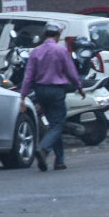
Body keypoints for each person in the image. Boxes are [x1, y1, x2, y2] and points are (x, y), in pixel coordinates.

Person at [19, 21, 85, 171]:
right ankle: (43, 149)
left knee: (54, 124)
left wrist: (23, 95)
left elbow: (28, 76)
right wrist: (79, 87)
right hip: (56, 91)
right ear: (58, 35)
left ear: (44, 34)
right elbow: (70, 71)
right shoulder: (60, 50)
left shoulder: (35, 51)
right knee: (57, 125)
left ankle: (59, 161)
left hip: (40, 90)